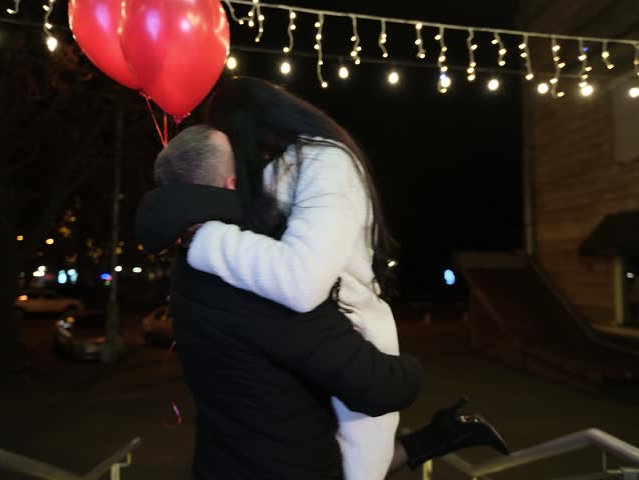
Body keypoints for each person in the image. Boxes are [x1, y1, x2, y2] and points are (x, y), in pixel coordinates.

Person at [136, 125, 510, 479]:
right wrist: (413, 369)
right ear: (231, 184)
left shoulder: (187, 265)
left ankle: (441, 435)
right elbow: (378, 386)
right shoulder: (255, 276)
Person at [182, 77, 403, 479]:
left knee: (359, 470)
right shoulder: (278, 170)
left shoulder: (325, 161)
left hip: (353, 343)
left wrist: (208, 239)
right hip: (310, 348)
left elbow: (302, 282)